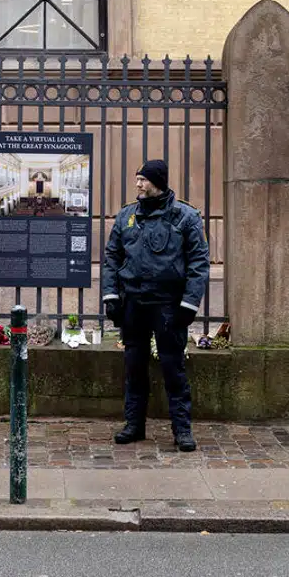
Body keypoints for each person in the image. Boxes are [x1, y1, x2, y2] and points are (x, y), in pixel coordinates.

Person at [101, 159, 210, 452]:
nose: (138, 185)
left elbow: (199, 262)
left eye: (143, 180)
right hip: (133, 304)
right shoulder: (126, 216)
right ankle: (134, 424)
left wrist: (189, 304)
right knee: (134, 368)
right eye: (137, 179)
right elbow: (112, 258)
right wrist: (111, 297)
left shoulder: (185, 217)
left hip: (168, 305)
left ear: (157, 182)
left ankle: (182, 430)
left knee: (173, 369)